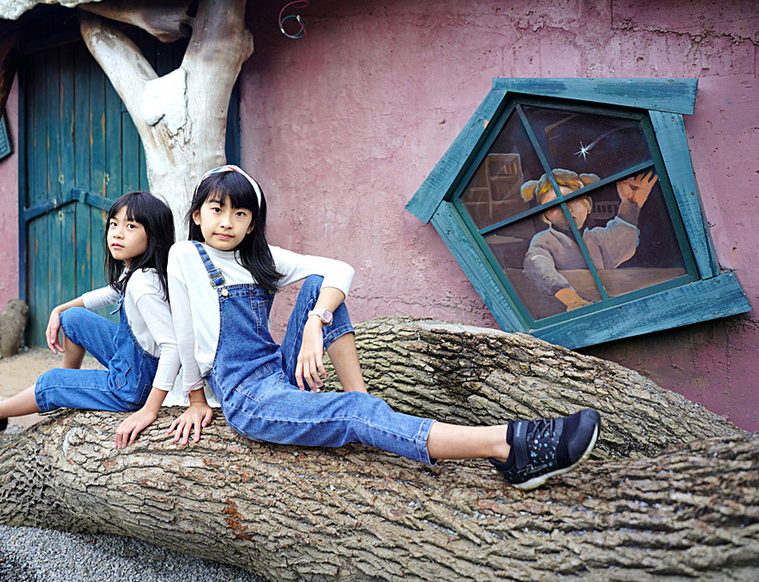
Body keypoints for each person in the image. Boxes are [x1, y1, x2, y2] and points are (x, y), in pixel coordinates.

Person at [164, 165, 601, 490]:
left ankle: (363, 401)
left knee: (319, 286)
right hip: (248, 399)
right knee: (355, 414)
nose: (226, 222)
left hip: (277, 370)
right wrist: (196, 400)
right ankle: (505, 446)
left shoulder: (258, 259)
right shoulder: (185, 255)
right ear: (198, 215)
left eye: (239, 214)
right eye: (216, 210)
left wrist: (315, 322)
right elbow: (184, 335)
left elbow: (340, 270)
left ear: (252, 222)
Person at [0, 191, 177, 448]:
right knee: (72, 318)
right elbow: (108, 292)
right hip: (130, 364)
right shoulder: (137, 271)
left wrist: (149, 410)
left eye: (131, 226)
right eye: (114, 224)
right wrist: (59, 309)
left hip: (130, 387)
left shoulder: (144, 285)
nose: (117, 233)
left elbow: (173, 347)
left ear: (154, 236)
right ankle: (70, 385)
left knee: (51, 381)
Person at [521, 169, 658, 310]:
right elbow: (538, 265)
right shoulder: (543, 241)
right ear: (545, 216)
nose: (566, 209)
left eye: (573, 199)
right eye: (553, 205)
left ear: (587, 205)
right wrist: (570, 298)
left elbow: (622, 242)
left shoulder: (595, 237)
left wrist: (630, 204)